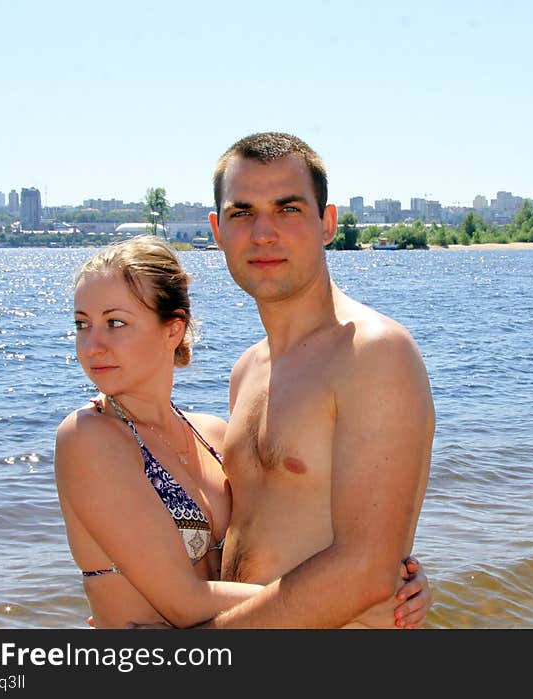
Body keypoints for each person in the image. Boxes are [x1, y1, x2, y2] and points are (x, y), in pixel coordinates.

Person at [54, 235, 431, 629]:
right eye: (82, 324)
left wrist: (397, 581)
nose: (92, 345)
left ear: (172, 330)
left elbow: (280, 532)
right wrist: (349, 598)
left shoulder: (213, 435)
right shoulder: (89, 437)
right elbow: (183, 601)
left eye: (115, 323)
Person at [190, 131, 436, 628]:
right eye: (242, 213)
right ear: (217, 230)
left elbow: (365, 572)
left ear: (327, 223)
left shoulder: (372, 353)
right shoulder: (247, 371)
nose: (263, 233)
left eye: (288, 209)